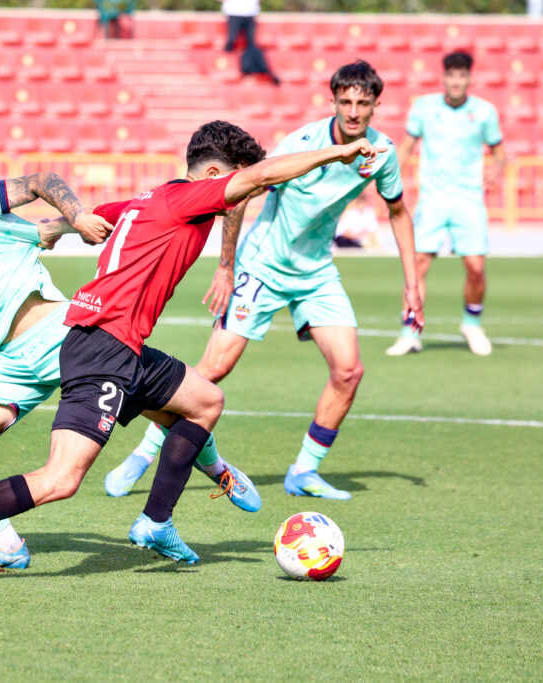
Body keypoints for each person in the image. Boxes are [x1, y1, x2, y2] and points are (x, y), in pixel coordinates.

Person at [0, 121, 388, 585]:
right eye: (237, 183)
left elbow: (92, 217)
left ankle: (156, 522)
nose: (244, 196)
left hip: (118, 344)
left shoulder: (149, 199)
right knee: (60, 479)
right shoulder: (190, 199)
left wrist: (60, 226)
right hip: (101, 350)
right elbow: (263, 176)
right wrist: (339, 152)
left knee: (205, 402)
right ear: (213, 175)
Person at [0, 153, 257, 573]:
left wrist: (74, 218)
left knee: (188, 407)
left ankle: (213, 469)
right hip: (9, 363)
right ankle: (5, 543)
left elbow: (40, 181)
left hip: (65, 336)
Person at [106, 60, 424, 503]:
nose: (353, 112)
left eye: (362, 103)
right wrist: (227, 266)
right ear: (333, 101)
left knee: (349, 371)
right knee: (214, 369)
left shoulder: (381, 153)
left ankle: (304, 471)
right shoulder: (302, 144)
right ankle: (142, 454)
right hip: (262, 266)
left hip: (316, 271)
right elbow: (239, 193)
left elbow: (398, 212)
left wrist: (412, 284)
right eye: (345, 101)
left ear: (376, 105)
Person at [385, 52, 504, 357]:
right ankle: (409, 332)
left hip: (469, 199)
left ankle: (472, 324)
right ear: (444, 77)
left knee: (475, 267)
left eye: (462, 75)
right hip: (433, 199)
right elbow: (407, 147)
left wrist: (497, 167)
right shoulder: (424, 108)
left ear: (469, 78)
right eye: (451, 75)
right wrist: (389, 180)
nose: (456, 81)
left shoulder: (484, 112)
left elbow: (499, 151)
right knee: (418, 265)